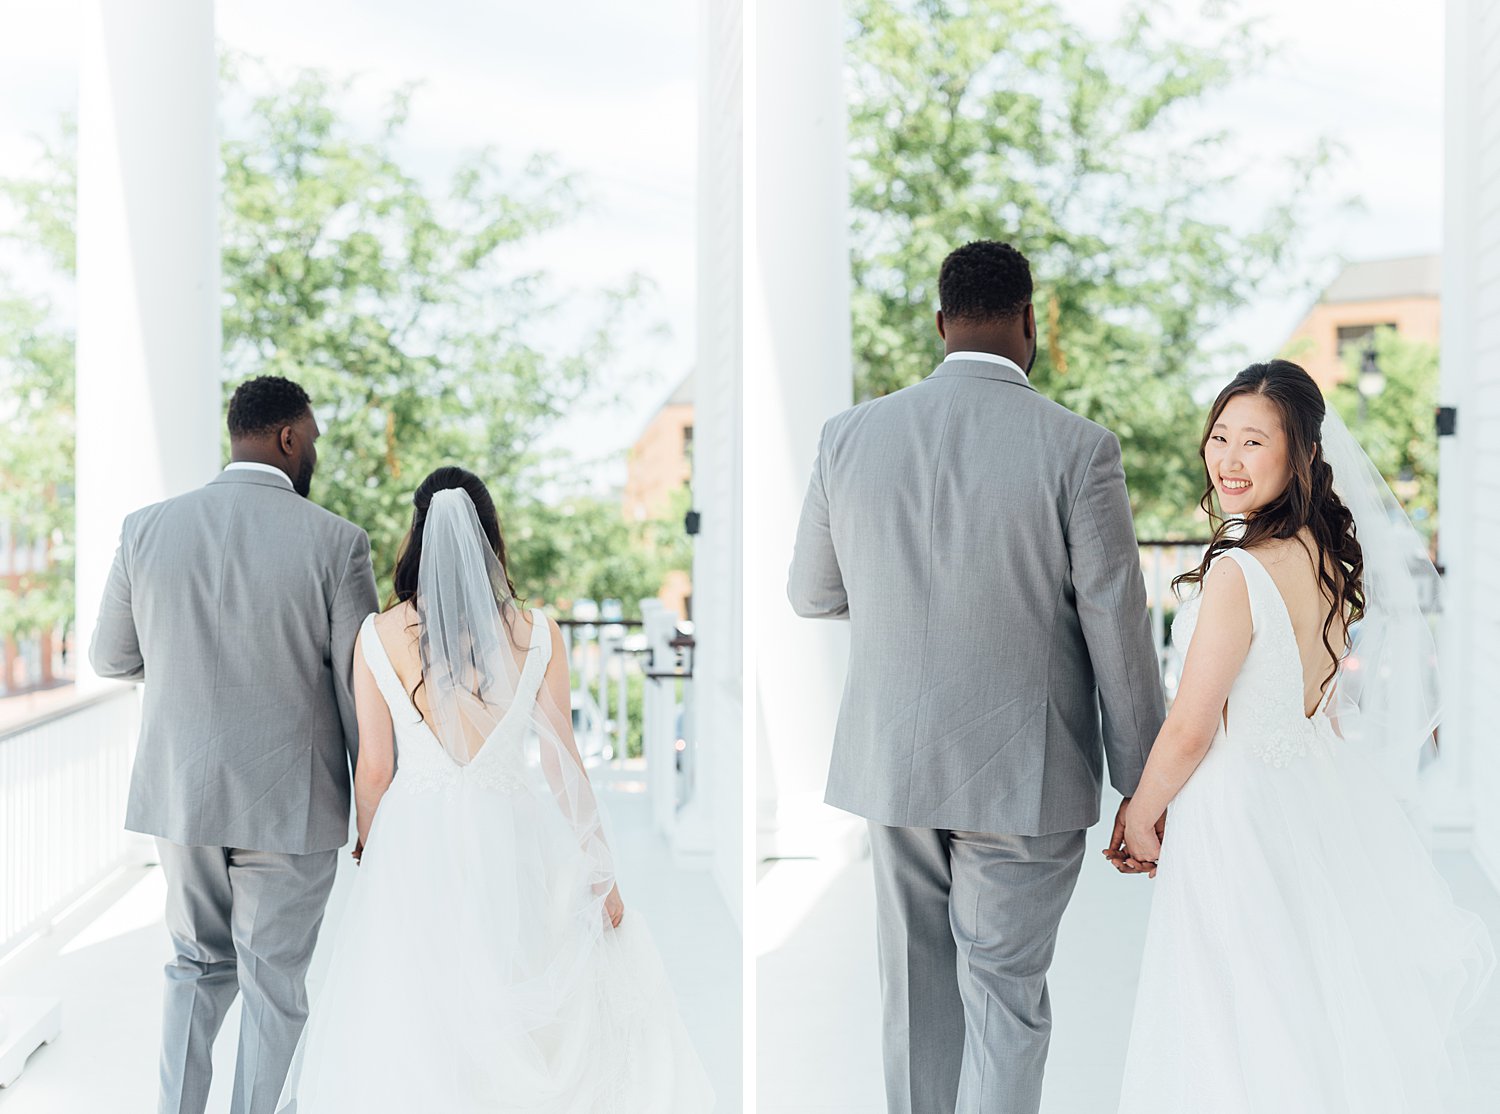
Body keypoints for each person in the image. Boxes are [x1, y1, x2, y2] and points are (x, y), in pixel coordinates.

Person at [787, 240, 1165, 1114]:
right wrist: (1145, 787)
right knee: (1004, 1002)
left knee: (915, 996)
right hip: (1023, 777)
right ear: (1030, 322)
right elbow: (1118, 623)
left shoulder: (848, 437)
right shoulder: (1080, 448)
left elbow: (812, 593)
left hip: (896, 767)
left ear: (939, 324)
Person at [1114, 359, 1494, 1113]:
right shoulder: (1321, 554)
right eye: (1219, 436)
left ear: (1301, 456)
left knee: (1235, 1016)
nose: (1227, 457)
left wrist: (1141, 815)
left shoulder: (1239, 573)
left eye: (1253, 442)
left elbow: (1191, 728)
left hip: (1234, 812)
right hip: (1300, 796)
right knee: (1297, 1001)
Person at [276, 466, 713, 1113]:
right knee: (515, 996)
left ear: (418, 534)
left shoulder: (379, 635)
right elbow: (566, 766)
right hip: (510, 830)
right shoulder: (538, 633)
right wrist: (602, 874)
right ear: (491, 537)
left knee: (415, 1013)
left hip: (415, 840)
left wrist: (372, 850)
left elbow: (373, 768)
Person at [90, 375, 379, 1114]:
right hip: (293, 801)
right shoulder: (337, 542)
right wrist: (375, 799)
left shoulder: (145, 529)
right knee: (274, 985)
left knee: (193, 965)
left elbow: (110, 658)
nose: (313, 452)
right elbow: (360, 691)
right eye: (311, 439)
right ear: (288, 437)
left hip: (183, 794)